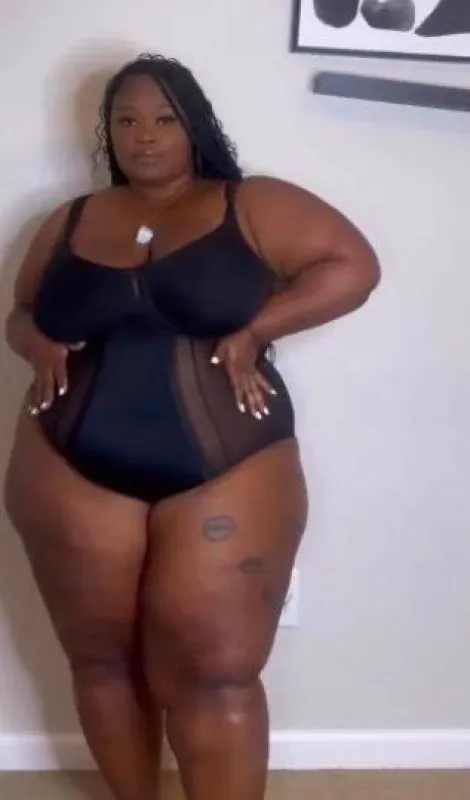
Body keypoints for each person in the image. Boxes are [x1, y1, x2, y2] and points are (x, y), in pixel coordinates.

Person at [3, 53, 380, 800]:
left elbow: (353, 267)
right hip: (67, 462)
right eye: (126, 120)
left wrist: (257, 330)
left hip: (227, 464)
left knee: (216, 673)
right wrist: (35, 344)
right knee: (103, 663)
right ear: (107, 132)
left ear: (195, 126)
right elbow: (19, 311)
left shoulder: (252, 203)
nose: (144, 136)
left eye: (164, 120)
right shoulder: (70, 219)